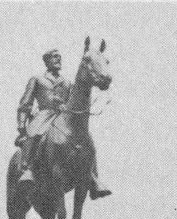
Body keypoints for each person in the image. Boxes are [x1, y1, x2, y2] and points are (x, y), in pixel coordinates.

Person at [16, 47, 111, 198]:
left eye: (59, 57)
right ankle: (27, 170)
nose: (58, 59)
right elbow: (25, 103)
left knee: (88, 140)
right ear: (47, 61)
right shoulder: (37, 79)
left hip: (62, 115)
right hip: (44, 114)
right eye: (54, 57)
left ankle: (94, 178)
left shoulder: (66, 82)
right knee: (33, 133)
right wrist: (22, 124)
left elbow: (73, 99)